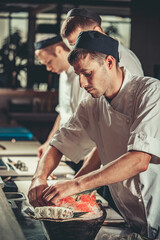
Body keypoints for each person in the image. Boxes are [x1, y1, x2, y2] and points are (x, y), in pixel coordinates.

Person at [28, 31, 160, 239]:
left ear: (109, 62)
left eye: (87, 73)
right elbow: (60, 142)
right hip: (132, 217)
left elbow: (139, 160)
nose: (81, 83)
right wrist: (38, 178)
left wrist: (76, 184)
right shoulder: (91, 104)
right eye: (78, 74)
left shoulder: (151, 92)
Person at [34, 35, 88, 159]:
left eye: (49, 62)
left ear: (59, 50)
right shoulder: (62, 75)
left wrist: (54, 149)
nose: (48, 68)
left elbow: (82, 121)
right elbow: (63, 113)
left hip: (83, 153)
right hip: (64, 149)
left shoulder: (83, 76)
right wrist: (49, 143)